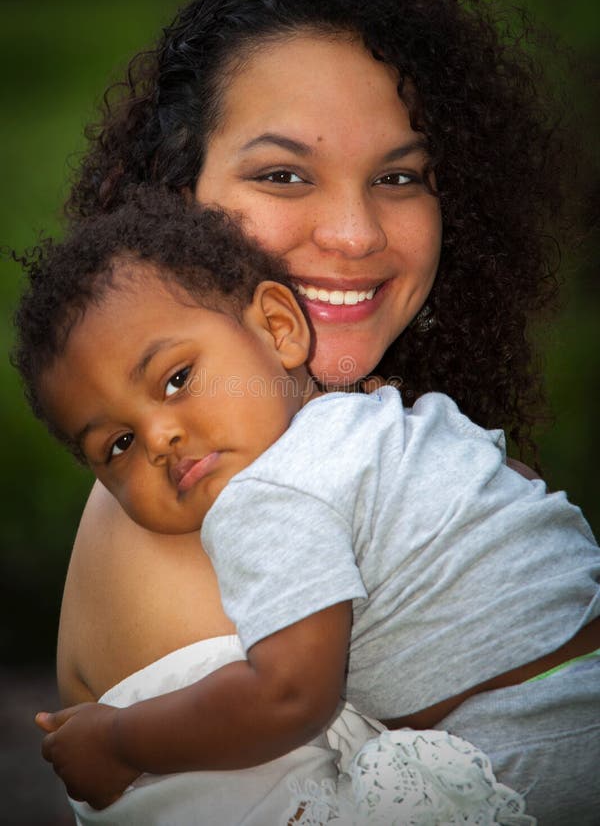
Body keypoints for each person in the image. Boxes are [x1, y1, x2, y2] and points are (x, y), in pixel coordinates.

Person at [44, 0, 591, 824]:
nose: (353, 233)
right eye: (283, 174)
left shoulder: (380, 442)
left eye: (399, 176)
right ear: (171, 202)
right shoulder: (193, 512)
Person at [13, 188, 599, 823]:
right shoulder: (380, 415)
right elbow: (518, 484)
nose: (159, 440)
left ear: (278, 328)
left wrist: (120, 741)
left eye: (176, 379)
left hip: (531, 740)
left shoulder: (269, 494)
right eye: (118, 444)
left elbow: (290, 697)